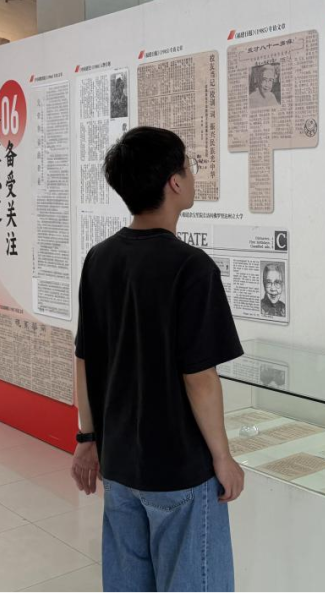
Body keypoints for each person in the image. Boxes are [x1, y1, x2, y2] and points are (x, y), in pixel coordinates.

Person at [72, 127, 245, 593]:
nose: (192, 174)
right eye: (189, 165)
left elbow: (85, 358)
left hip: (120, 465)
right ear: (174, 181)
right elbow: (199, 377)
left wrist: (87, 439)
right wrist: (223, 457)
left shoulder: (98, 259)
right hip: (180, 472)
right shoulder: (192, 267)